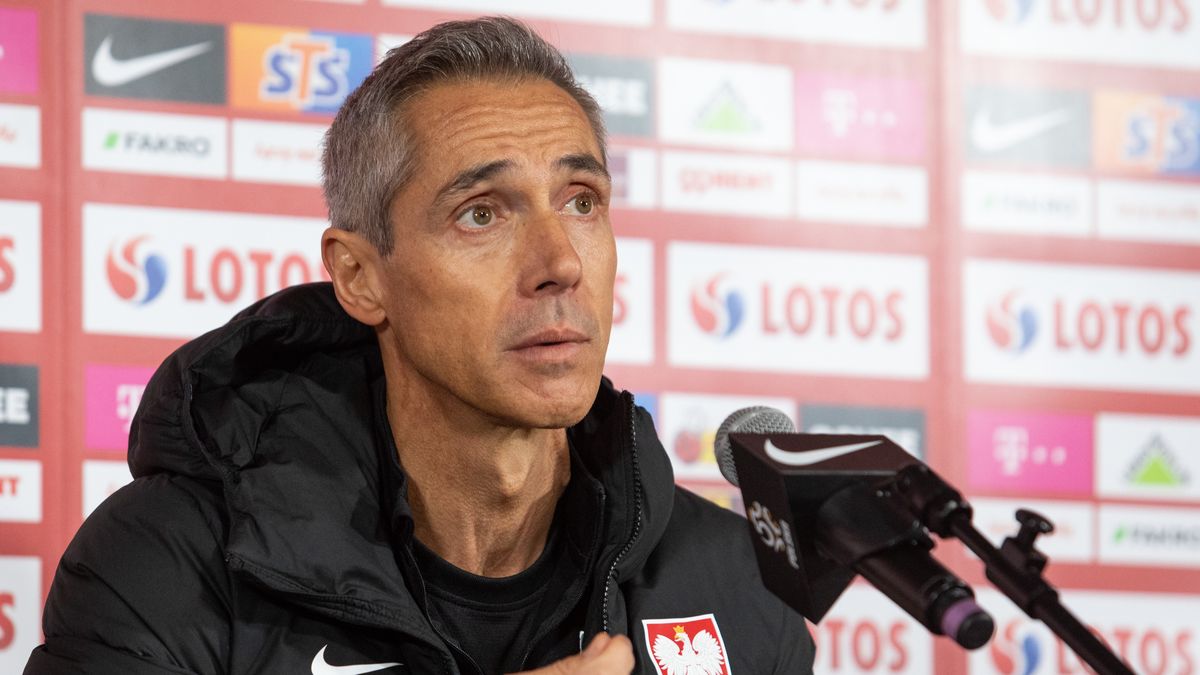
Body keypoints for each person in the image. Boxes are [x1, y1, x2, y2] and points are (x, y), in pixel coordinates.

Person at [26, 17, 815, 675]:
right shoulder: (169, 562)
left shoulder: (737, 584)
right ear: (361, 275)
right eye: (482, 213)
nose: (560, 263)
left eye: (581, 201)